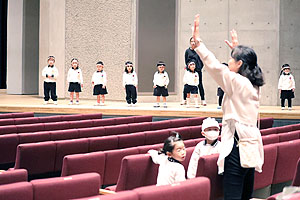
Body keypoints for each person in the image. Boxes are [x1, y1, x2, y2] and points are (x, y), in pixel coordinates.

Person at [193, 14, 265, 200]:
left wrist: (198, 45)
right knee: (245, 196)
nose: (229, 62)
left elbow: (215, 66)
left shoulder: (237, 82)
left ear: (239, 64)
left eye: (232, 59)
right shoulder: (253, 83)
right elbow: (247, 65)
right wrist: (238, 50)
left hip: (236, 148)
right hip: (250, 146)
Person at [184, 37, 206, 106]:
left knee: (199, 84)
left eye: (194, 41)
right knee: (187, 85)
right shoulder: (187, 51)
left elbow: (202, 60)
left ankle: (203, 99)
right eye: (192, 41)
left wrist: (199, 68)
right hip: (190, 70)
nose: (193, 43)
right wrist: (189, 67)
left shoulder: (199, 51)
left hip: (197, 70)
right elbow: (186, 60)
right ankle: (185, 99)